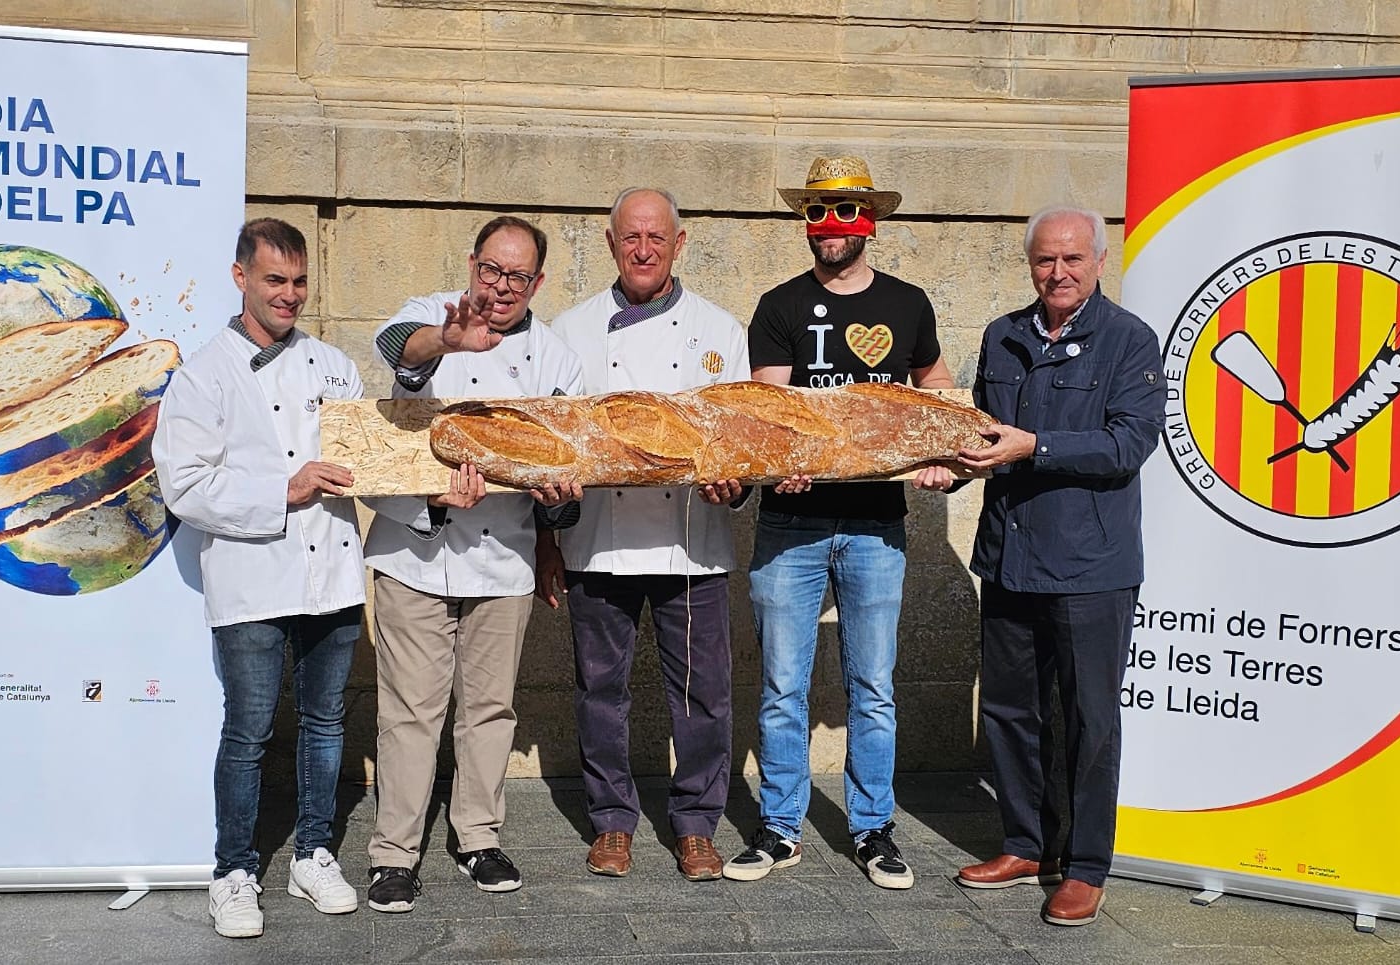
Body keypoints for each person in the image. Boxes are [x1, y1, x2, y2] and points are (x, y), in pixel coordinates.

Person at [723, 155, 955, 891]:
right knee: (784, 685)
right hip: (790, 520)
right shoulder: (779, 305)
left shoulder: (910, 304)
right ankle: (782, 827)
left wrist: (940, 452)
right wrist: (778, 459)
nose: (830, 225)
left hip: (876, 525)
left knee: (873, 685)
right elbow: (770, 412)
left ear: (871, 222)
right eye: (818, 210)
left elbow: (938, 393)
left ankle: (872, 828)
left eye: (846, 211)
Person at [362, 216, 584, 913]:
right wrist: (448, 342)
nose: (501, 287)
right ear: (472, 262)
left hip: (503, 558)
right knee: (409, 712)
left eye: (517, 276)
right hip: (414, 548)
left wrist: (556, 500)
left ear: (538, 283)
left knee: (490, 709)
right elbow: (397, 349)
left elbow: (562, 466)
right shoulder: (434, 314)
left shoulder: (555, 357)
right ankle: (394, 853)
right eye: (491, 270)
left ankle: (478, 837)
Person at [153, 218, 366, 939]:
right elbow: (183, 484)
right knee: (248, 730)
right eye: (275, 279)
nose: (290, 295)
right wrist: (284, 487)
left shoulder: (336, 366)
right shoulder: (202, 374)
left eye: (300, 281)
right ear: (240, 276)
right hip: (249, 576)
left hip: (333, 574)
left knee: (326, 720)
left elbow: (367, 456)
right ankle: (234, 869)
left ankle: (312, 851)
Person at [953, 205, 1164, 926]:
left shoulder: (1128, 340)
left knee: (1087, 719)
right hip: (1008, 557)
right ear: (1029, 264)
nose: (1059, 272)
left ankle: (1084, 865)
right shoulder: (1002, 335)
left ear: (1100, 262)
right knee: (1011, 710)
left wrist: (1033, 446)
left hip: (1089, 567)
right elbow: (980, 433)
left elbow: (1127, 445)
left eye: (1073, 259)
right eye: (1046, 260)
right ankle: (1025, 842)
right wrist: (945, 467)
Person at [538, 187, 750, 882]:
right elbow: (554, 445)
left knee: (705, 693)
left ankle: (695, 825)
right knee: (601, 690)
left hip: (691, 543)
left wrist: (736, 483)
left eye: (657, 237)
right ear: (609, 242)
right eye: (631, 236)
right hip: (598, 540)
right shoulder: (567, 331)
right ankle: (611, 823)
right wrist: (549, 531)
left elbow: (740, 439)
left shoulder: (721, 330)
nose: (643, 249)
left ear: (679, 244)